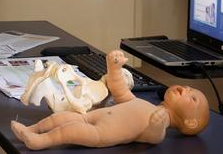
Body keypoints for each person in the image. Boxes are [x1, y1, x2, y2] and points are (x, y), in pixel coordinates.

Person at [11, 50, 210, 150]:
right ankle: (32, 129)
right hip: (90, 116)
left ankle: (40, 141)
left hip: (100, 133)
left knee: (69, 131)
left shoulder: (160, 120)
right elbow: (121, 92)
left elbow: (154, 137)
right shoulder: (146, 105)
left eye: (192, 97)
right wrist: (113, 69)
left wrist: (157, 126)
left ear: (191, 123)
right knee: (60, 118)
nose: (185, 89)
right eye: (188, 87)